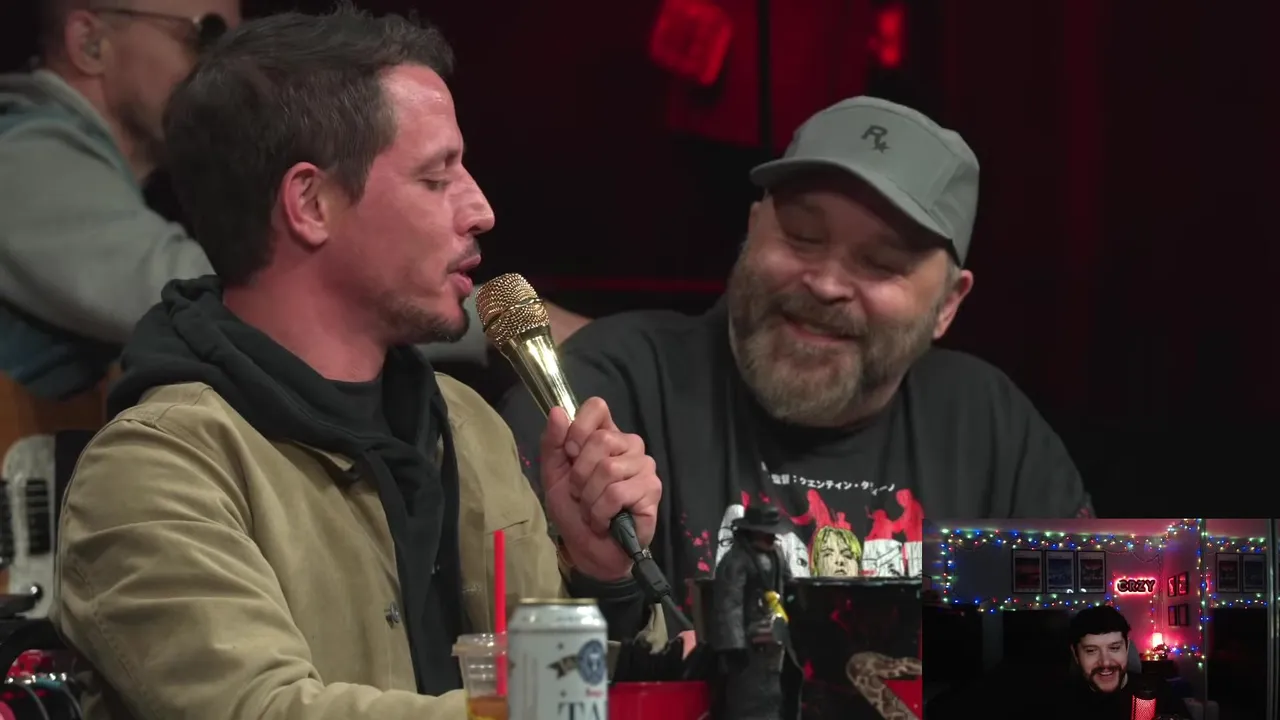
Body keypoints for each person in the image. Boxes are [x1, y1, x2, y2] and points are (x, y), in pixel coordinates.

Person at [53, 8, 662, 720]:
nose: (481, 210)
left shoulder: (465, 426)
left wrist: (600, 576)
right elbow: (266, 712)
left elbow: (567, 688)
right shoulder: (155, 470)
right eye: (436, 178)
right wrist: (538, 708)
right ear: (311, 203)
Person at [499, 96, 1091, 605]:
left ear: (947, 304)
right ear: (752, 228)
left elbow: (1095, 645)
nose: (827, 284)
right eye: (802, 237)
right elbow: (503, 644)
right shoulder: (609, 388)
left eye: (881, 263)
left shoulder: (988, 428)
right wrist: (604, 576)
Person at [0, 0, 588, 402]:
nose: (222, 62)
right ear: (90, 42)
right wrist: (473, 312)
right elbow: (199, 287)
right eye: (205, 32)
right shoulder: (21, 155)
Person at [1048, 605, 1190, 719]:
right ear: (1076, 654)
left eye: (1114, 648)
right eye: (1091, 651)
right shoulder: (1058, 703)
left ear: (1127, 647)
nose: (1105, 662)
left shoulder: (1160, 691)